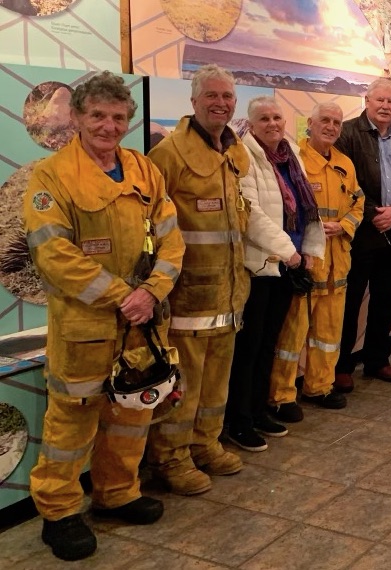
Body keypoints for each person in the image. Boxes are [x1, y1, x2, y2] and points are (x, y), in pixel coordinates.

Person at [24, 71, 184, 561]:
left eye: (118, 117)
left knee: (131, 412)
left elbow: (171, 236)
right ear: (76, 118)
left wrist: (153, 291)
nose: (108, 126)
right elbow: (54, 253)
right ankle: (59, 511)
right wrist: (123, 296)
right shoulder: (50, 176)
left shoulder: (143, 169)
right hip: (85, 327)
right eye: (97, 115)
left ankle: (118, 493)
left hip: (141, 322)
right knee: (72, 424)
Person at [146, 64, 250, 496]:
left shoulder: (234, 151)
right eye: (212, 95)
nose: (221, 103)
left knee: (215, 383)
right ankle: (172, 459)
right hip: (188, 295)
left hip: (229, 292)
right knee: (184, 386)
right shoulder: (168, 156)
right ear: (193, 102)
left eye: (227, 96)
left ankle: (206, 444)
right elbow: (150, 226)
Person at [225, 96, 325, 449]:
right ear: (251, 124)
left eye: (277, 117)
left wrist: (309, 250)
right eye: (264, 118)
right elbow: (250, 214)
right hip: (260, 266)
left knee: (270, 344)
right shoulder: (244, 156)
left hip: (288, 263)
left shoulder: (290, 153)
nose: (272, 124)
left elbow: (306, 205)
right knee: (248, 348)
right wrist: (290, 252)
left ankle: (257, 410)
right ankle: (239, 420)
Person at [267, 102, 364, 415]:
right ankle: (281, 396)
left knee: (328, 333)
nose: (331, 127)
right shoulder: (295, 160)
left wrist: (345, 224)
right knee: (293, 334)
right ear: (309, 123)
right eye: (325, 120)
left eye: (337, 122)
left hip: (338, 265)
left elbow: (358, 203)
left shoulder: (345, 163)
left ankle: (319, 387)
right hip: (307, 263)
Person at [334, 78, 391, 389]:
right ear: (367, 101)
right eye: (380, 100)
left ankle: (377, 361)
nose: (386, 106)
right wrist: (375, 213)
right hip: (361, 233)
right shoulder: (347, 134)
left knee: (386, 299)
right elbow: (344, 184)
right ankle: (341, 366)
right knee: (350, 301)